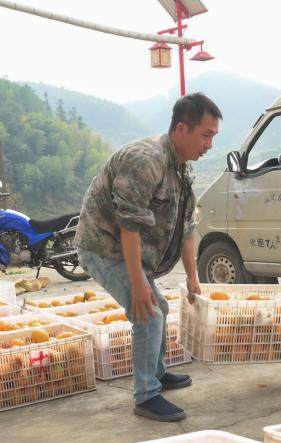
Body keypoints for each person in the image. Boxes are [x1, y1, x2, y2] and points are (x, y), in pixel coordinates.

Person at [74, 92, 221, 421]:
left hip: (129, 250)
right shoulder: (145, 159)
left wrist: (193, 276)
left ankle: (155, 373)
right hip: (103, 246)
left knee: (159, 307)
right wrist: (139, 283)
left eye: (213, 136)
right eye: (206, 134)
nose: (209, 144)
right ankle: (145, 395)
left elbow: (185, 227)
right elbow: (129, 226)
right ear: (182, 129)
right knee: (148, 312)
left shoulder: (181, 169)